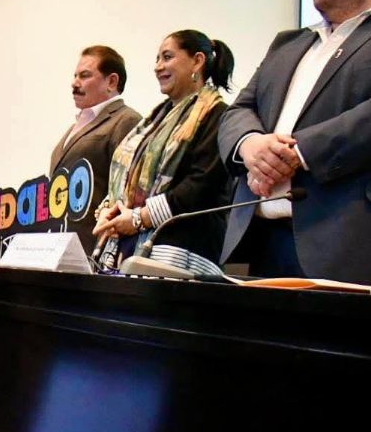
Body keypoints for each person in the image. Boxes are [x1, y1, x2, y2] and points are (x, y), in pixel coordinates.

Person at [218, 0, 371, 284]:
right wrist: (252, 146)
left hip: (348, 246)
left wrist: (298, 153)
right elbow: (237, 110)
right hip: (256, 243)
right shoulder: (289, 43)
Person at [93, 30, 235, 274]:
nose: (158, 67)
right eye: (157, 59)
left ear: (197, 61)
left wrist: (140, 218)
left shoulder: (218, 114)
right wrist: (110, 211)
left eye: (167, 57)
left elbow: (199, 187)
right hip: (132, 247)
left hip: (183, 251)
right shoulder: (154, 120)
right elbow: (127, 178)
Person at [49, 45, 141, 253]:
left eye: (85, 76)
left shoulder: (127, 120)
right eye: (75, 76)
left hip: (96, 248)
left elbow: (127, 191)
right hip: (61, 247)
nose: (74, 83)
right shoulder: (75, 126)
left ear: (111, 82)